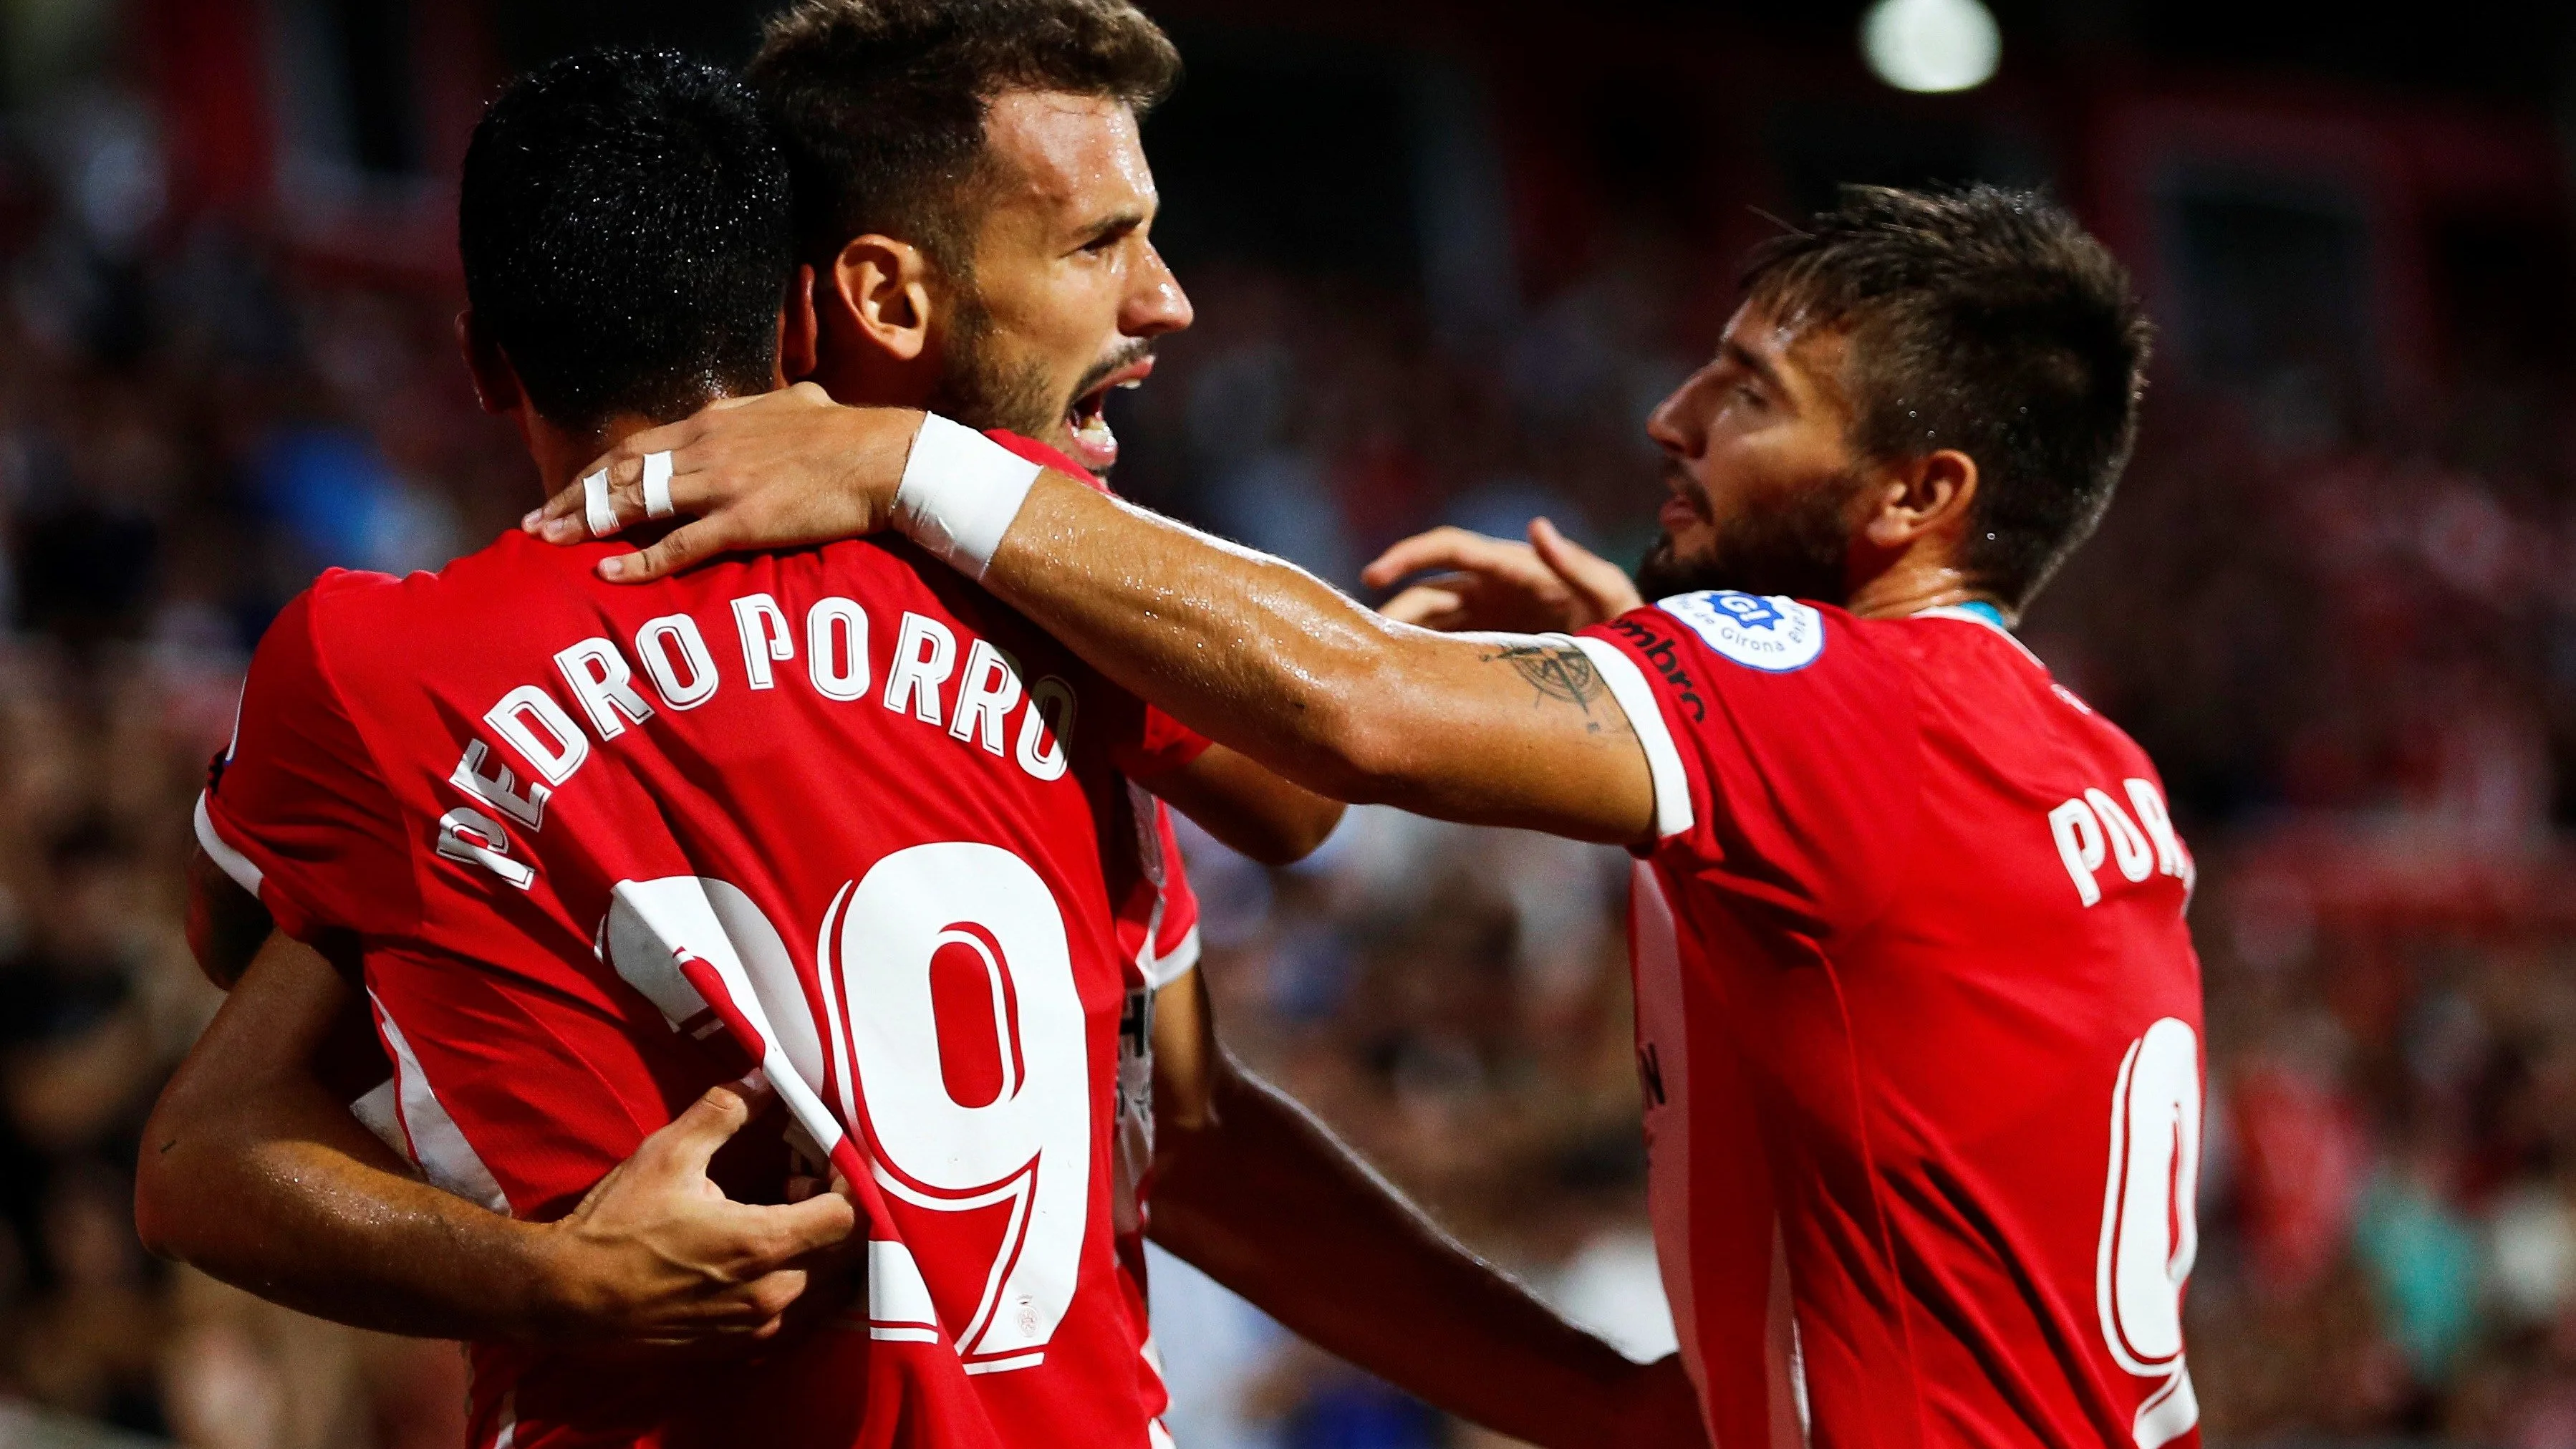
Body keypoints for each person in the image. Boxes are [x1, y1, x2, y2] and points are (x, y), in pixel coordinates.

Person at [143, 9, 1702, 1446]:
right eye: (1104, 243)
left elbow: (221, 1043)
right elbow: (1296, 807)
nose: (1164, 297)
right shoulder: (1037, 595)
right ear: (831, 302)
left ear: (484, 358)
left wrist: (532, 1261)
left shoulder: (377, 664)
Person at [544, 183, 2209, 1449]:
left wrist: (905, 461)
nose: (1672, 420)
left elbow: (1352, 710)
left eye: (1749, 397)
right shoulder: (2085, 765)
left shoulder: (1828, 705)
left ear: (1922, 500)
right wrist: (1641, 640)